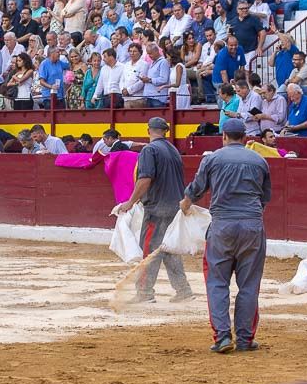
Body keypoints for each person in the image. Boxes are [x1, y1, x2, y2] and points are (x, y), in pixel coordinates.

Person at [180, 118, 271, 354]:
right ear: (245, 138)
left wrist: (186, 203)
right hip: (252, 226)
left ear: (223, 137)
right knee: (249, 285)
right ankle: (244, 339)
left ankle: (222, 337)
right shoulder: (259, 160)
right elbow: (264, 198)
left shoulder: (212, 159)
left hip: (222, 227)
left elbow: (197, 189)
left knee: (217, 282)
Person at [114, 117, 194, 303]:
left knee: (149, 250)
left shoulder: (150, 150)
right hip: (174, 206)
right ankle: (183, 290)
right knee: (168, 249)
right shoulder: (172, 149)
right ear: (165, 131)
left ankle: (144, 293)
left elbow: (145, 179)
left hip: (157, 208)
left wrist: (131, 202)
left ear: (148, 130)